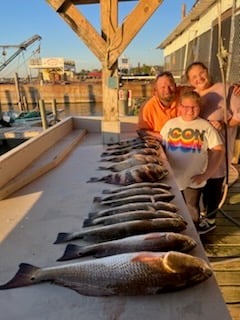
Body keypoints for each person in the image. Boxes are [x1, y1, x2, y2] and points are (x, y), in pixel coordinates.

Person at [185, 61, 240, 233]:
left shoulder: (227, 88)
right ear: (189, 81)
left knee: (214, 183)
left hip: (218, 150)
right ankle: (199, 214)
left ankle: (210, 218)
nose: (199, 78)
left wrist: (225, 124)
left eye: (201, 73)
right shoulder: (192, 94)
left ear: (207, 72)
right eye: (194, 77)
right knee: (197, 182)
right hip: (197, 151)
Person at [160, 90, 224, 229]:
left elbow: (218, 150)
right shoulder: (170, 124)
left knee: (192, 208)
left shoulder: (205, 126)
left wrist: (206, 174)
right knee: (171, 207)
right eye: (185, 106)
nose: (189, 110)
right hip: (172, 178)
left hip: (194, 179)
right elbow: (161, 147)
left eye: (194, 107)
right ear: (179, 107)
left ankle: (193, 234)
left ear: (199, 107)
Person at [137, 71, 186, 138]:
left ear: (175, 86)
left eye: (170, 86)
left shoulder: (185, 97)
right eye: (163, 87)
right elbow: (141, 131)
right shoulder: (149, 106)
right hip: (159, 143)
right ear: (156, 90)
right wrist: (162, 137)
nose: (167, 90)